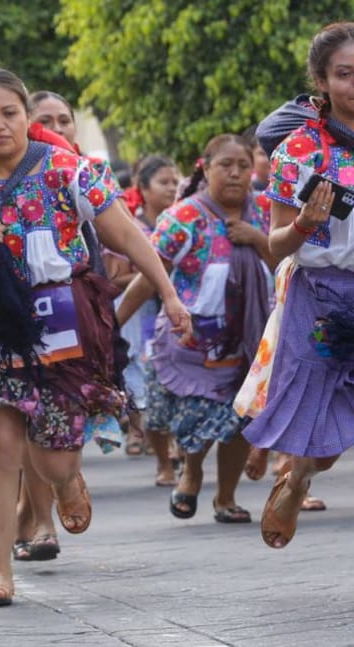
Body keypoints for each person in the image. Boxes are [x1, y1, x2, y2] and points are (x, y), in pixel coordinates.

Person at [0, 68, 190, 607]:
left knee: (53, 460)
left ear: (25, 116)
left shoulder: (70, 170)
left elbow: (127, 237)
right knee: (0, 442)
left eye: (8, 113)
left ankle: (68, 482)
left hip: (63, 322)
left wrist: (168, 293)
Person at [119, 134, 276, 524]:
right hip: (191, 343)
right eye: (226, 165)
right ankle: (191, 471)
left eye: (243, 165)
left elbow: (287, 262)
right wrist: (112, 324)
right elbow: (150, 275)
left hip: (250, 341)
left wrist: (255, 238)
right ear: (205, 168)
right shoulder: (184, 217)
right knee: (198, 418)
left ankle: (226, 497)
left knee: (241, 419)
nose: (237, 173)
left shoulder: (267, 213)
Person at [242, 22, 354, 549]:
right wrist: (307, 223)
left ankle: (302, 472)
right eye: (345, 74)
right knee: (312, 419)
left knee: (338, 435)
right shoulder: (299, 151)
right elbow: (275, 246)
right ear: (323, 80)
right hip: (319, 295)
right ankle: (296, 475)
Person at [111, 155, 181, 484]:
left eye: (174, 182)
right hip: (142, 316)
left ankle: (176, 447)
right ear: (144, 188)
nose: (171, 188)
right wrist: (152, 275)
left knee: (176, 383)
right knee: (145, 380)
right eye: (163, 182)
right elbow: (117, 278)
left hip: (176, 313)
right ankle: (146, 439)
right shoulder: (130, 228)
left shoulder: (185, 221)